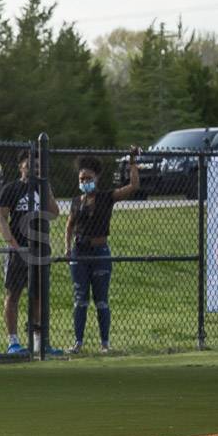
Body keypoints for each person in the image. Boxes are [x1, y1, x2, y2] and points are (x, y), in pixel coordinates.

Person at [63, 148, 141, 354]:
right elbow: (69, 225)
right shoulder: (76, 202)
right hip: (80, 253)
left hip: (100, 253)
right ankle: (78, 343)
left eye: (88, 177)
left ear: (96, 178)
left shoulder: (107, 197)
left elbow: (133, 186)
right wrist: (67, 248)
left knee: (101, 300)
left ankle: (104, 343)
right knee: (80, 299)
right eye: (81, 178)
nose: (84, 181)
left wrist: (133, 163)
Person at [0, 149, 61, 355]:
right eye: (30, 163)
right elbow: (1, 217)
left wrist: (46, 188)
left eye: (39, 164)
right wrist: (12, 244)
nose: (34, 167)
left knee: (39, 296)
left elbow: (54, 213)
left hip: (40, 250)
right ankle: (13, 342)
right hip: (19, 250)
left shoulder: (42, 188)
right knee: (13, 295)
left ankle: (39, 342)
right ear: (21, 166)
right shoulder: (11, 189)